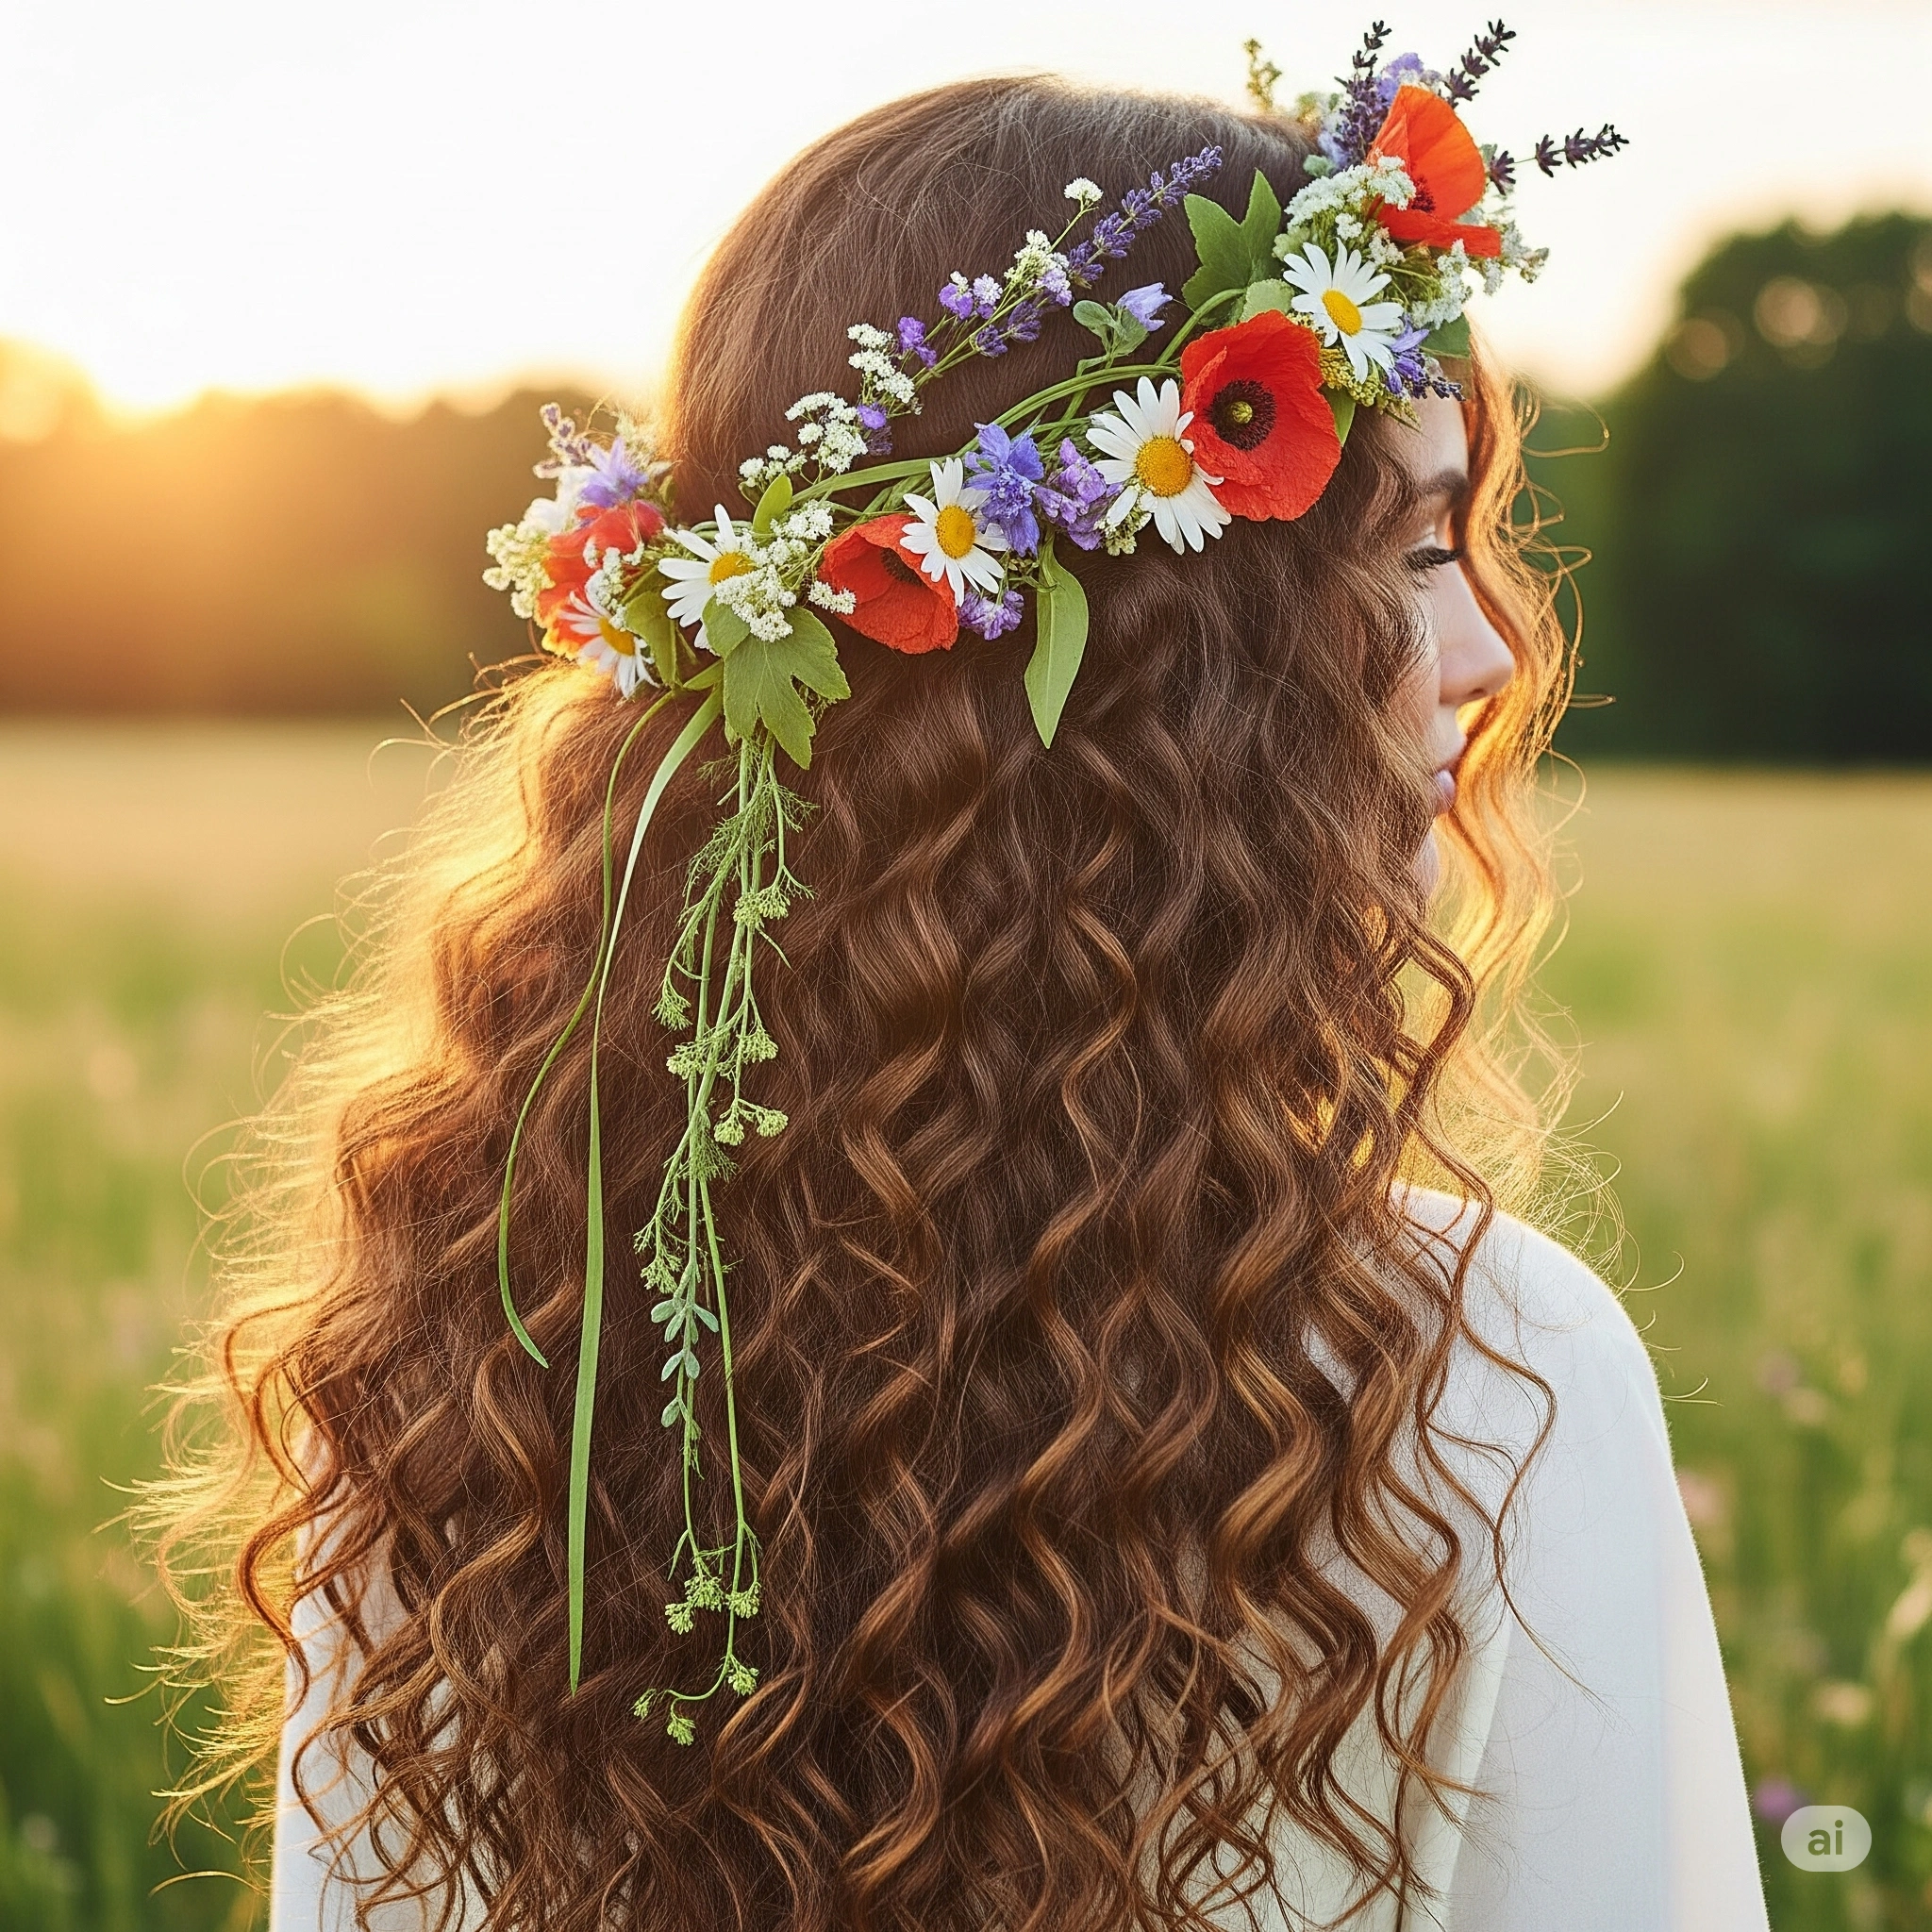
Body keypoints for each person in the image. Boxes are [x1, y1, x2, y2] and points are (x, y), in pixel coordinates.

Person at [157, 43, 1770, 1932]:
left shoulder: (473, 1372)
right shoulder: (1483, 1381)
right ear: (1164, 668)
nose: (1489, 644)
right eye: (1407, 547)